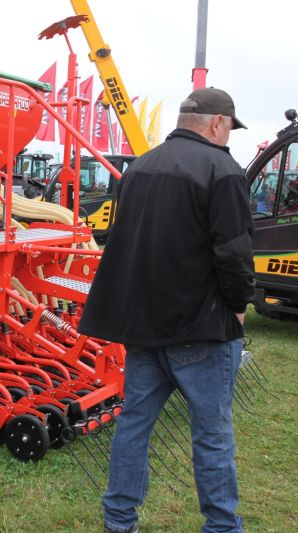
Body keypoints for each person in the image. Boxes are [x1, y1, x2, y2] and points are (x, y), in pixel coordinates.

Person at [79, 88, 255, 533]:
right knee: (212, 435)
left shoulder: (140, 167)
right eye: (230, 128)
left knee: (134, 425)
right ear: (218, 124)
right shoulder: (222, 168)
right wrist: (237, 306)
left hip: (144, 326)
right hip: (200, 327)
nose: (228, 136)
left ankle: (118, 520)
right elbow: (234, 252)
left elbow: (125, 244)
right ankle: (221, 526)